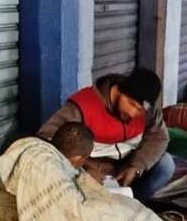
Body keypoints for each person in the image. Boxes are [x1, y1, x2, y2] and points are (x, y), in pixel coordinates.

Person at [37, 68, 174, 200]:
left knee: (166, 165)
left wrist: (136, 168)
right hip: (91, 174)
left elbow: (160, 137)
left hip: (123, 173)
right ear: (120, 90)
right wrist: (82, 171)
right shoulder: (83, 106)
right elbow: (45, 138)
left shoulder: (148, 113)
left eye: (139, 110)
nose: (133, 113)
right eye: (131, 104)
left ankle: (130, 205)